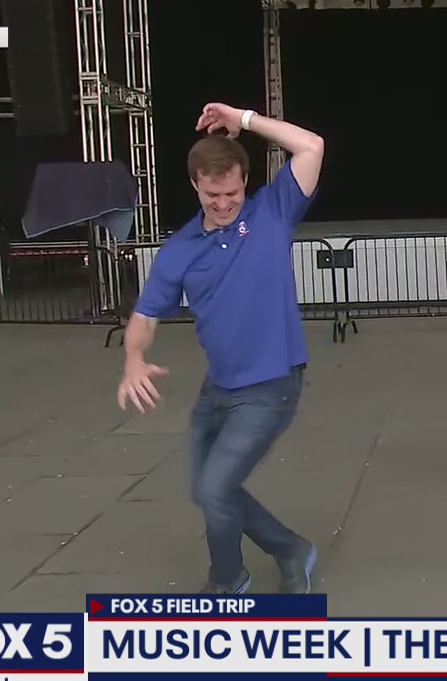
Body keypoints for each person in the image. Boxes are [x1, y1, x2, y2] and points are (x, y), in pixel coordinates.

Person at [116, 102, 325, 594]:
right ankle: (290, 548)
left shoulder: (272, 212)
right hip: (219, 388)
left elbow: (311, 145)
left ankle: (227, 582)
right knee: (207, 489)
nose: (225, 203)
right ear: (195, 186)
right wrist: (132, 359)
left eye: (232, 192)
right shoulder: (180, 249)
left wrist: (244, 119)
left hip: (271, 384)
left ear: (245, 183)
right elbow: (145, 316)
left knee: (215, 489)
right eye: (214, 195)